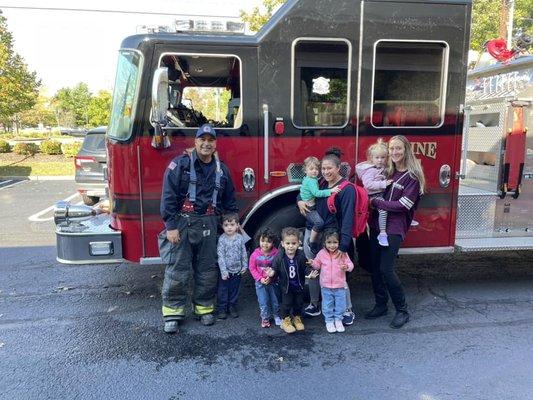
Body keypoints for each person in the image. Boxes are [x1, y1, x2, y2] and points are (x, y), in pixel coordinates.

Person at [160, 123, 238, 334]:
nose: (206, 144)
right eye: (202, 140)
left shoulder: (222, 170)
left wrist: (232, 226)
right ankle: (173, 313)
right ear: (195, 142)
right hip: (183, 224)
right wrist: (171, 226)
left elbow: (230, 202)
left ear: (215, 144)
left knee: (207, 270)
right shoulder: (180, 165)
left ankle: (203, 308)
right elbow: (168, 197)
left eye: (210, 140)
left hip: (210, 224)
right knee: (178, 269)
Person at [365, 135, 425, 329]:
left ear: (406, 149)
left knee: (386, 269)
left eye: (398, 148)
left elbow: (404, 205)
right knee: (374, 266)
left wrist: (376, 202)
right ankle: (381, 305)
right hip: (376, 225)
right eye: (391, 149)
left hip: (394, 227)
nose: (394, 152)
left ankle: (402, 310)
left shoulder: (412, 177)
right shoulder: (387, 171)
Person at [297, 148, 356, 326]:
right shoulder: (321, 183)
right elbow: (305, 191)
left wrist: (343, 247)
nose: (325, 172)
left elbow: (347, 220)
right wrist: (299, 200)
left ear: (338, 168)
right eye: (323, 168)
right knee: (313, 269)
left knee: (339, 274)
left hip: (331, 237)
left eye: (329, 168)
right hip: (312, 231)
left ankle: (347, 309)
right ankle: (315, 304)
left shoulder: (346, 190)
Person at [312, 230, 354, 333]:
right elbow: (317, 265)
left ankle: (338, 320)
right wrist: (312, 263)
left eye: (335, 242)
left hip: (340, 285)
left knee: (341, 305)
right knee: (327, 305)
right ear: (324, 243)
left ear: (339, 243)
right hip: (326, 286)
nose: (332, 245)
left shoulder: (342, 253)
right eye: (329, 242)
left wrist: (347, 267)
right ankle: (329, 321)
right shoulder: (321, 254)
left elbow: (351, 265)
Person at [272, 227, 310, 334]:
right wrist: (272, 272)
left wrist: (309, 273)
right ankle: (286, 320)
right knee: (286, 304)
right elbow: (274, 267)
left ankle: (297, 318)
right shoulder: (280, 256)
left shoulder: (301, 255)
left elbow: (305, 267)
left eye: (293, 243)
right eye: (288, 243)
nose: (290, 246)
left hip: (298, 285)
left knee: (298, 303)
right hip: (286, 286)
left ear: (298, 243)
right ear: (282, 244)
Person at [356, 139, 393, 246]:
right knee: (383, 210)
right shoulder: (370, 170)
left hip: (381, 194)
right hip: (372, 196)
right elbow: (368, 185)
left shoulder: (382, 168)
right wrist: (383, 184)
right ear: (371, 158)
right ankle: (382, 234)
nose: (380, 160)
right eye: (377, 158)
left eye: (383, 157)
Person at [300, 156, 340, 253]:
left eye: (316, 169)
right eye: (311, 169)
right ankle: (312, 242)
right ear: (305, 170)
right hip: (310, 208)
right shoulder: (311, 181)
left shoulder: (311, 179)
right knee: (319, 223)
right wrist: (331, 191)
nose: (314, 171)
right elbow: (316, 193)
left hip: (310, 206)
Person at [216, 212, 248, 320]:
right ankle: (222, 308)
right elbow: (220, 256)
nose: (229, 228)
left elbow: (243, 253)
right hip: (226, 271)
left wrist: (244, 266)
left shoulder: (240, 238)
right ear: (222, 226)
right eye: (226, 225)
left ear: (237, 225)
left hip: (237, 271)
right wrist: (224, 272)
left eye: (232, 225)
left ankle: (232, 306)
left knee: (234, 289)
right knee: (223, 290)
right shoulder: (222, 239)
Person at [248, 227, 281, 328]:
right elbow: (252, 268)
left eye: (268, 241)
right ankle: (265, 317)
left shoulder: (276, 254)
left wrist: (272, 276)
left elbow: (278, 267)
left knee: (275, 300)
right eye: (263, 241)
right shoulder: (255, 255)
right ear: (259, 240)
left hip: (273, 281)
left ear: (273, 243)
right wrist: (260, 278)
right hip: (260, 283)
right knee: (263, 301)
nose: (265, 244)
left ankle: (276, 315)